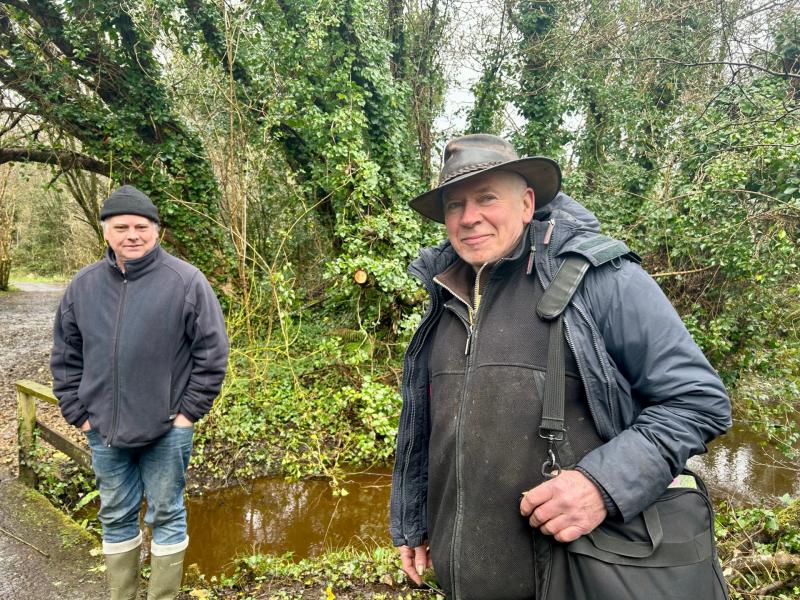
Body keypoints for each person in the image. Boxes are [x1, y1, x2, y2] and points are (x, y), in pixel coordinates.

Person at [389, 134, 731, 598]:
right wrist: (415, 520)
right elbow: (434, 428)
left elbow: (697, 401)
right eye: (455, 205)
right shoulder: (444, 295)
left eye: (487, 198)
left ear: (527, 203)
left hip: (580, 578)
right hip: (466, 581)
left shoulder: (601, 278)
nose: (469, 217)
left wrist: (601, 485)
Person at [50, 185, 229, 600]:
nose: (132, 235)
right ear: (106, 231)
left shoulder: (186, 281)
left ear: (156, 230)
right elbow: (66, 354)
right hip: (105, 432)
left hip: (167, 430)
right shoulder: (83, 286)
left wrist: (186, 415)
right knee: (115, 515)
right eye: (121, 227)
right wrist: (79, 413)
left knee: (167, 514)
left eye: (141, 227)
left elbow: (212, 352)